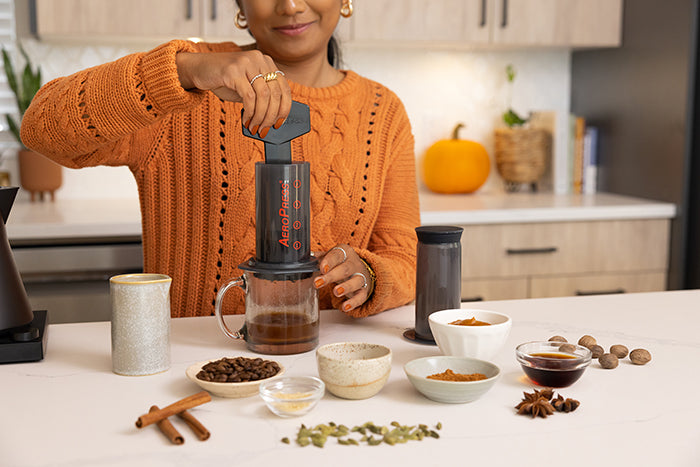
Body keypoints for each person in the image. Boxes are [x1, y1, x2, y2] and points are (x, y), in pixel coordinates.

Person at [20, 0, 420, 318]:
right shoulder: (190, 83)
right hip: (191, 363)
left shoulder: (382, 113)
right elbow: (41, 128)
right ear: (240, 8)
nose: (291, 5)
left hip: (326, 366)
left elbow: (406, 257)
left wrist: (368, 274)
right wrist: (184, 70)